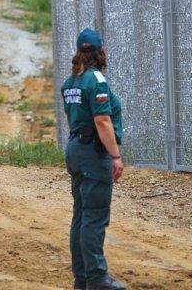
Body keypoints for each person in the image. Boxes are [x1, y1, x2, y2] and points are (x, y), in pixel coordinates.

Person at [61, 28, 126, 290]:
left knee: (81, 216)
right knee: (94, 217)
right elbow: (102, 120)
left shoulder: (70, 82)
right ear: (100, 51)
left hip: (76, 149)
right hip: (92, 153)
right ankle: (97, 279)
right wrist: (116, 155)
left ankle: (83, 278)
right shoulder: (96, 80)